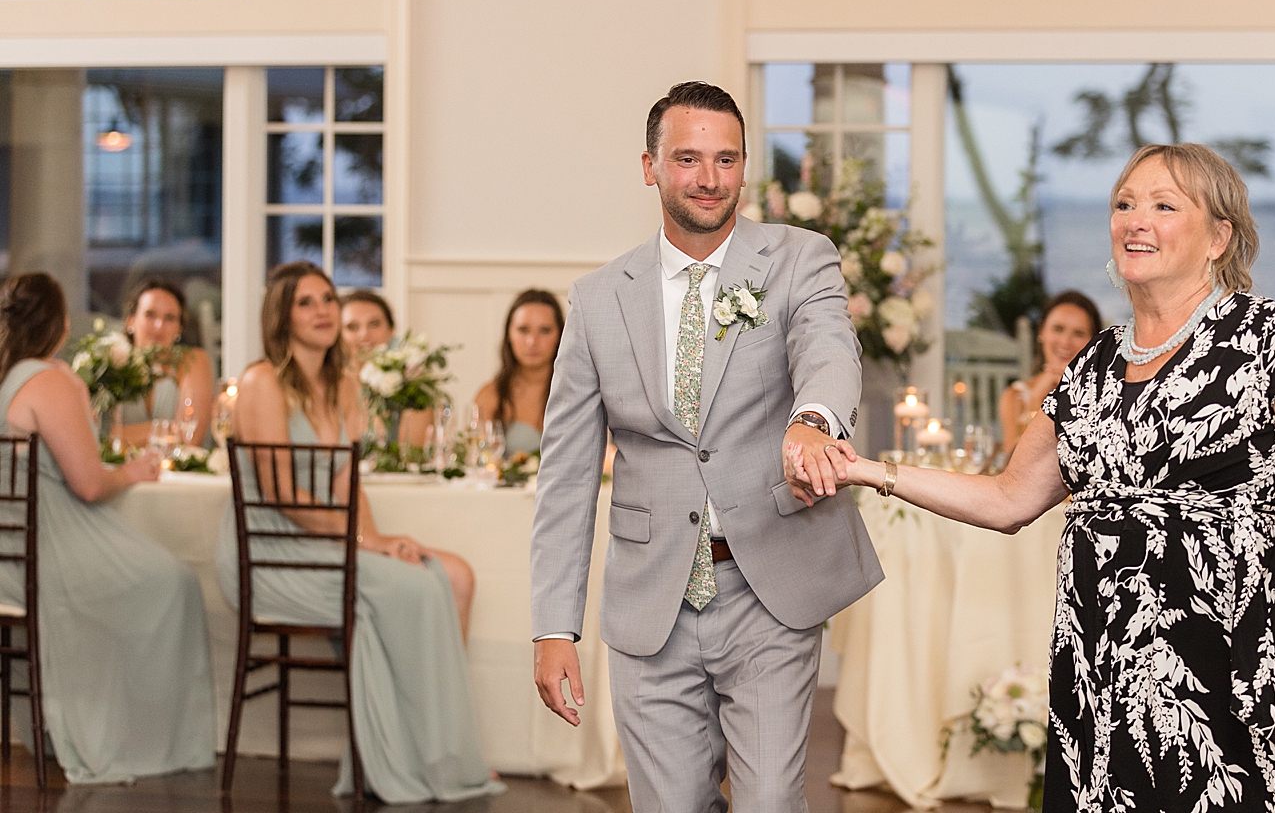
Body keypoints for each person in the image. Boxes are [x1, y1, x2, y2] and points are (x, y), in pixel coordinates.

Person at [786, 143, 1275, 813]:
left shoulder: (1266, 337)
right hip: (1098, 652)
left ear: (1218, 237)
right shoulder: (1094, 365)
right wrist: (867, 470)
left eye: (1164, 206)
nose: (1135, 220)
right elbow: (1008, 498)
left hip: (1221, 649)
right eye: (1124, 203)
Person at [531, 81, 883, 813]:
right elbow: (565, 476)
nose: (709, 178)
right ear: (649, 166)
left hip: (766, 589)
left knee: (770, 805)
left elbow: (830, 349)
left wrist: (812, 420)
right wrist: (553, 627)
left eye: (726, 159)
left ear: (745, 167)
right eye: (688, 159)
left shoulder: (799, 258)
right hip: (648, 601)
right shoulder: (598, 299)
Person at [217, 261, 499, 803]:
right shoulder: (261, 382)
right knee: (415, 586)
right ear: (281, 314)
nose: (324, 310)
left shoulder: (343, 384)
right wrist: (368, 544)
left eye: (328, 298)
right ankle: (406, 761)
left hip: (327, 545)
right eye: (306, 302)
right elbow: (280, 496)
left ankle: (428, 753)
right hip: (272, 554)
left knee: (444, 574)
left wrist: (376, 542)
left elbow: (350, 488)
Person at [0, 272, 215, 783]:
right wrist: (135, 471)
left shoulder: (8, 375)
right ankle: (141, 735)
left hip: (10, 547)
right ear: (60, 323)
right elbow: (90, 485)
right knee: (176, 583)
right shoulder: (48, 378)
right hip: (49, 544)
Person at [998, 291, 1102, 456]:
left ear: (1094, 343)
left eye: (1079, 333)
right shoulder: (1015, 397)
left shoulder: (1105, 397)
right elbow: (1013, 468)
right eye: (1058, 329)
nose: (1065, 342)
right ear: (1042, 332)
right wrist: (1035, 402)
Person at [114, 278, 215, 449]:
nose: (159, 326)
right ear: (131, 321)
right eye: (150, 315)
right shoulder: (113, 364)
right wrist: (166, 430)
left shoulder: (193, 360)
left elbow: (190, 438)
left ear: (179, 329)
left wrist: (125, 435)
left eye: (169, 318)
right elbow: (99, 439)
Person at [472, 289, 564, 456]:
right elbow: (475, 459)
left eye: (544, 330)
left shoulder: (576, 394)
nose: (532, 341)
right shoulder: (491, 395)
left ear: (560, 336)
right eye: (523, 330)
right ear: (509, 335)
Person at [339, 289, 431, 447]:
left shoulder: (412, 387)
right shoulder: (326, 384)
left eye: (374, 324)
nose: (364, 334)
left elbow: (414, 452)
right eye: (352, 327)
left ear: (391, 329)